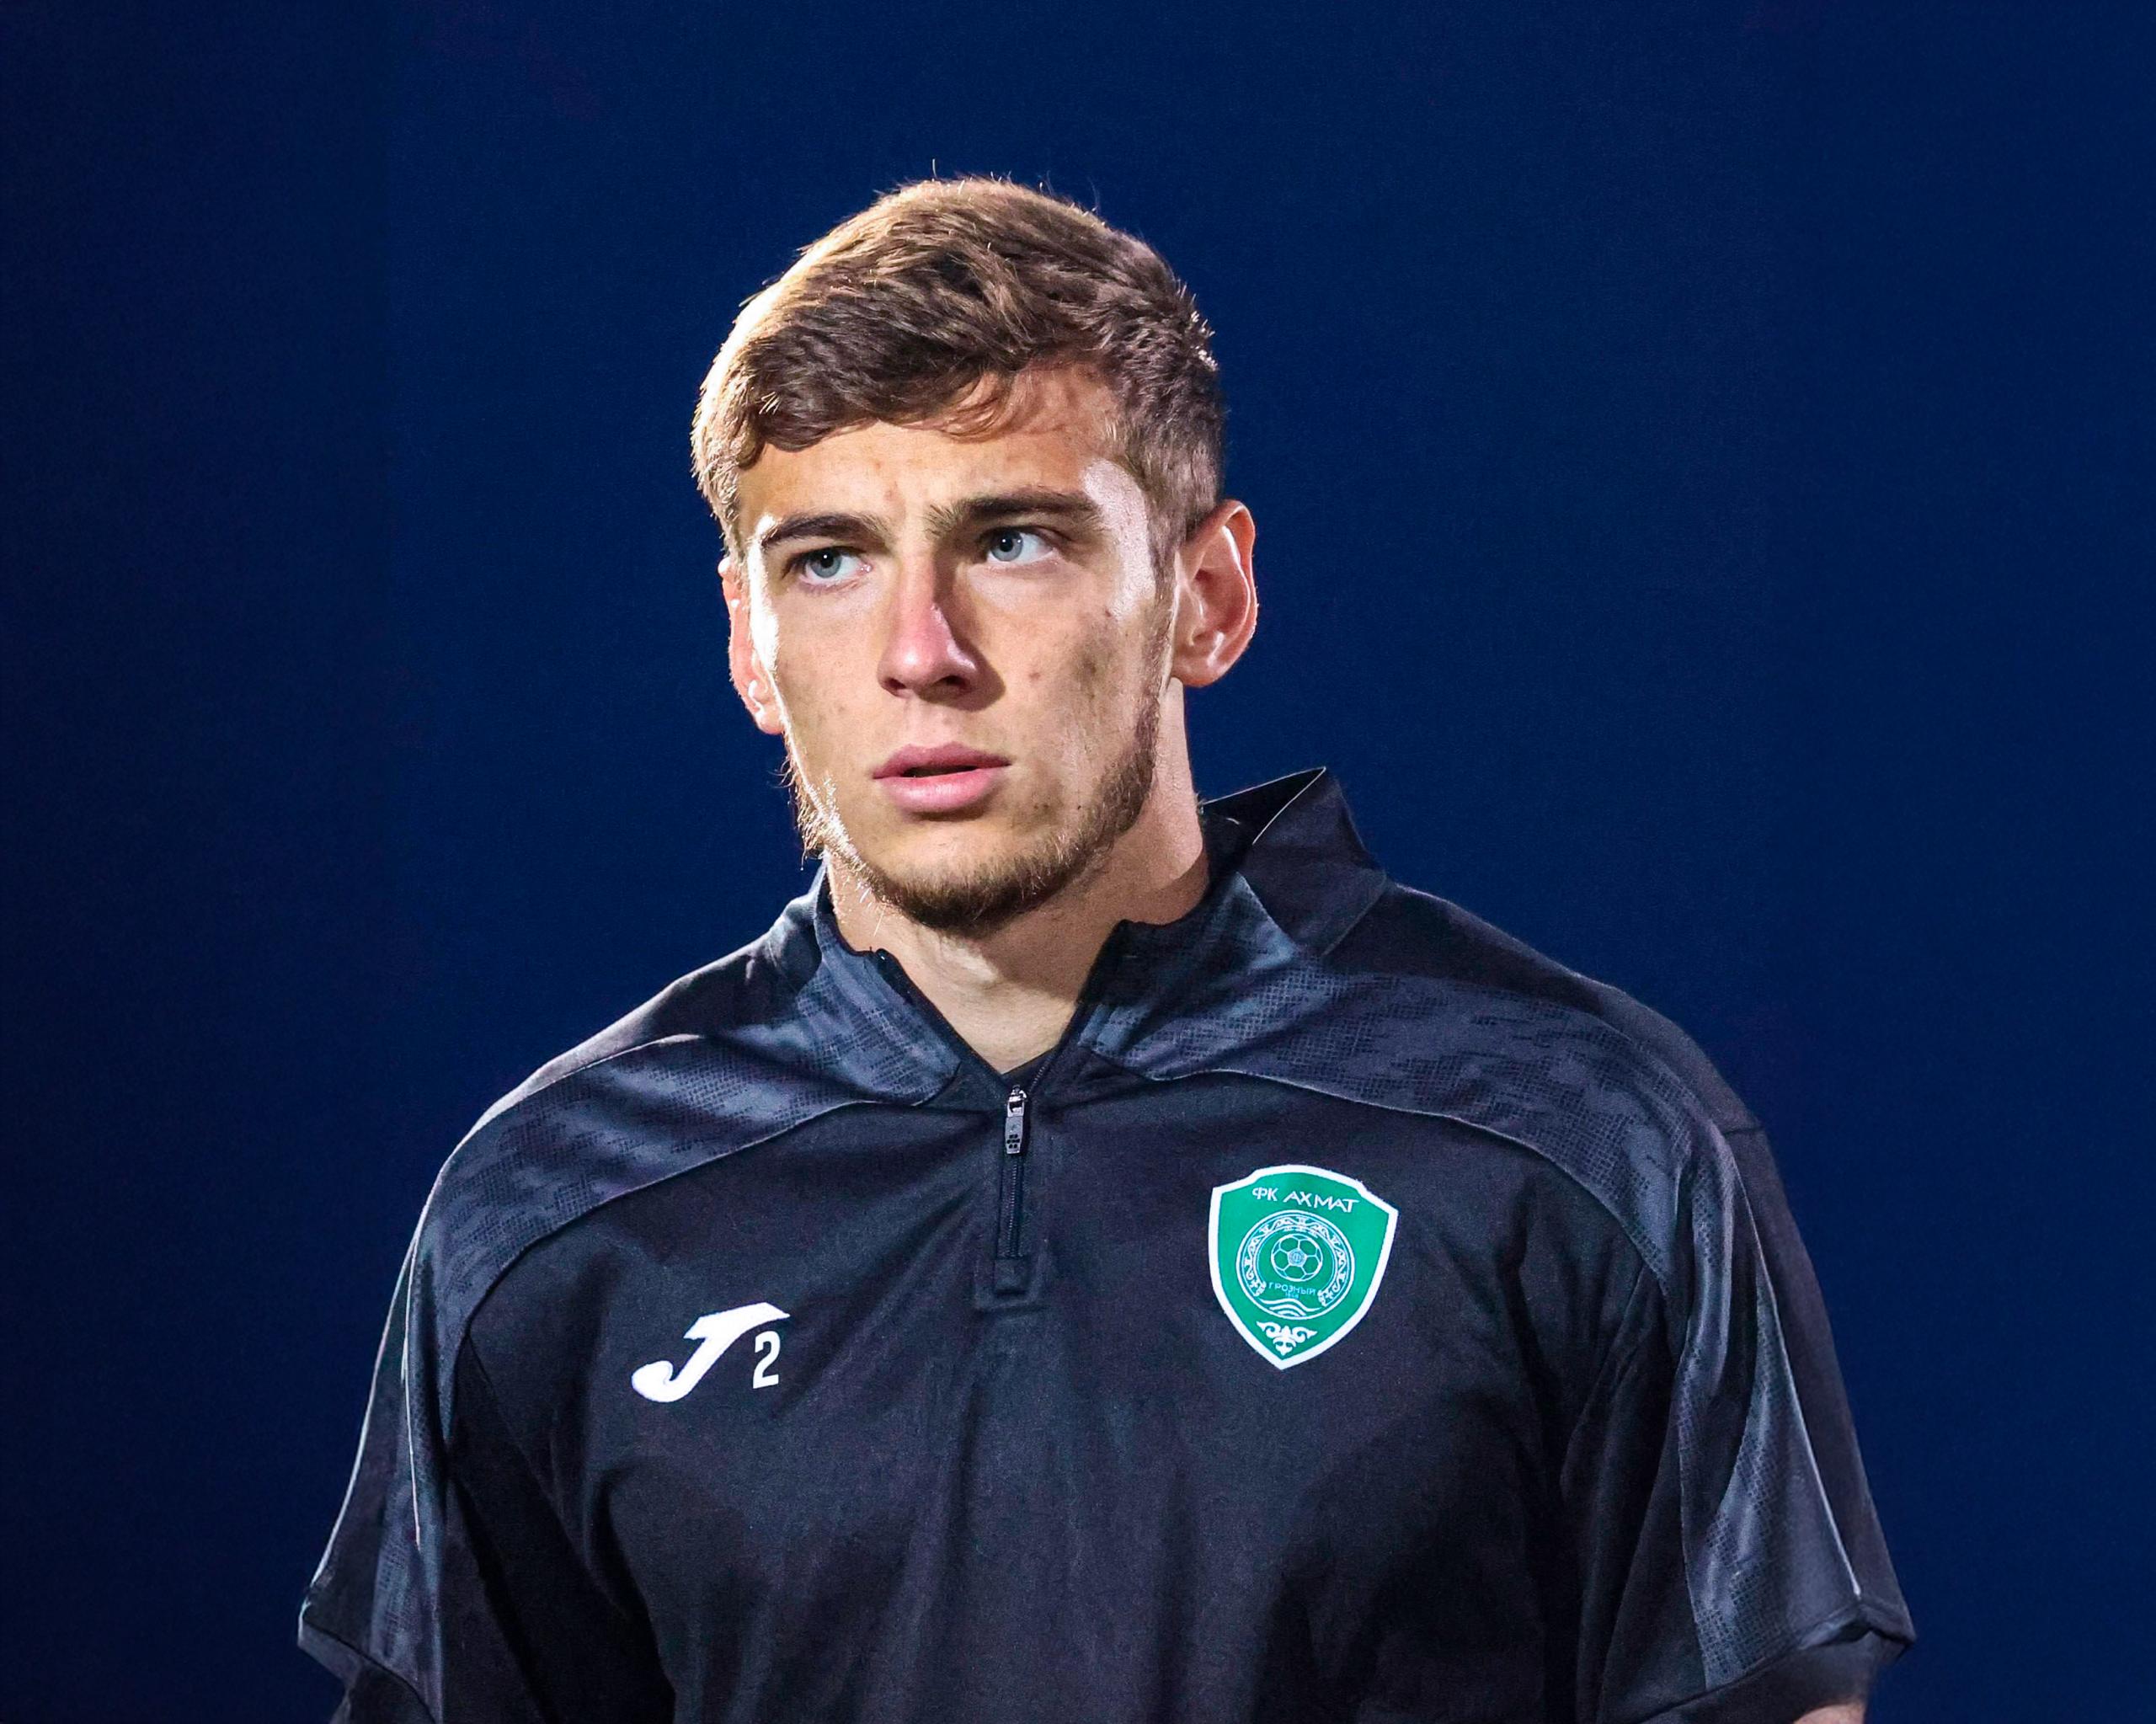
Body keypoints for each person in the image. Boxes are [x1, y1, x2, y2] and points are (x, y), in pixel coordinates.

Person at [298, 176, 1913, 1724]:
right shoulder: (560, 1207)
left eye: (1014, 540)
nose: (922, 654)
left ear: (1207, 595)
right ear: (749, 641)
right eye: (830, 561)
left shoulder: (1572, 1133)